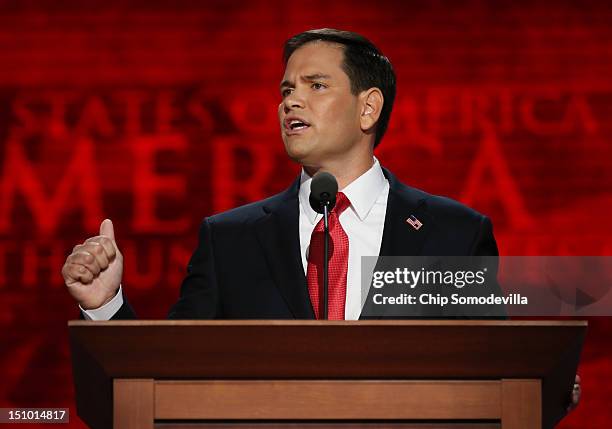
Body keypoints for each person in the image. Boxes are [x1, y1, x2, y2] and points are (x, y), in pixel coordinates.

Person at [61, 28, 580, 407]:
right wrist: (107, 306)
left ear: (368, 108)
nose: (291, 102)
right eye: (286, 90)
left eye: (315, 85)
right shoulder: (231, 239)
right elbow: (165, 381)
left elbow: (496, 371)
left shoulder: (454, 232)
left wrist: (543, 384)